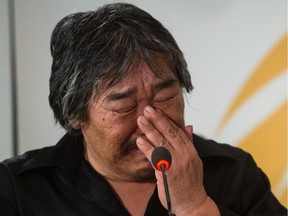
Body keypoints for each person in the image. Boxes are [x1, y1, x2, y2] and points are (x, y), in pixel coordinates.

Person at [0, 3, 286, 216]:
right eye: (123, 103)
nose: (149, 120)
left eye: (165, 96)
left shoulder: (234, 173)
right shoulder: (17, 189)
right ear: (74, 113)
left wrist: (194, 205)